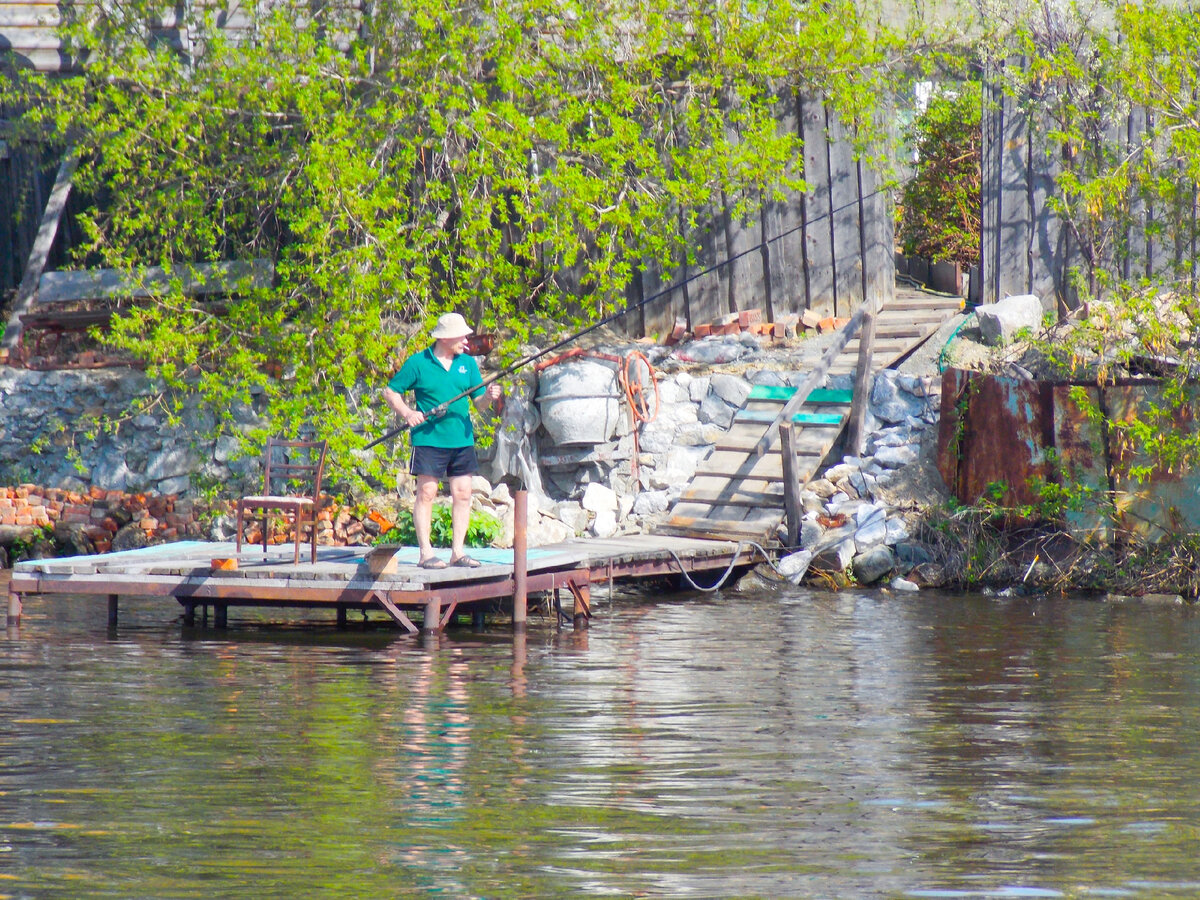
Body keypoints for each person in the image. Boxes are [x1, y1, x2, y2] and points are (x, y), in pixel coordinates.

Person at [383, 312, 502, 569]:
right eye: (462, 335)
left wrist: (490, 397)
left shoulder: (468, 364)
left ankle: (457, 553)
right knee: (427, 492)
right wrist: (407, 413)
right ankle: (425, 553)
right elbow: (390, 391)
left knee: (463, 493)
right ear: (446, 338)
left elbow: (479, 405)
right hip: (428, 439)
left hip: (462, 440)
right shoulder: (418, 363)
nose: (467, 339)